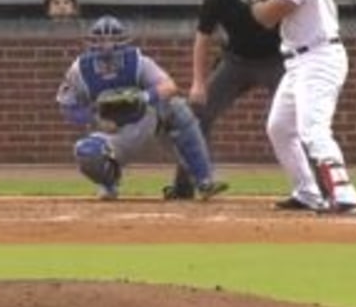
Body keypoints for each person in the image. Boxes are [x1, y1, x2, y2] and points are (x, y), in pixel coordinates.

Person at [236, 0, 356, 215]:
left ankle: (345, 194)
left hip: (319, 58)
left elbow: (266, 17)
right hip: (299, 61)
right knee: (279, 128)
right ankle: (307, 191)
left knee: (312, 129)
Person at [56, 15, 228, 202]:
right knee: (85, 152)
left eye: (113, 39)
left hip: (145, 123)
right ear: (92, 42)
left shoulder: (137, 61)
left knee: (177, 107)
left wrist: (141, 97)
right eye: (101, 40)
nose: (107, 46)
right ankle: (109, 183)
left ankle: (204, 179)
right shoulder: (80, 69)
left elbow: (169, 87)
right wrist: (95, 118)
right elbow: (67, 106)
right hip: (112, 135)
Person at [164, 0, 285, 201]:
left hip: (275, 60)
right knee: (196, 113)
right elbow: (203, 38)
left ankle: (317, 187)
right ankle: (184, 185)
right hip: (235, 61)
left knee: (295, 119)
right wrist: (198, 82)